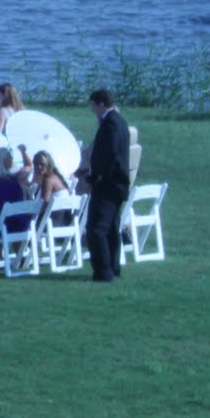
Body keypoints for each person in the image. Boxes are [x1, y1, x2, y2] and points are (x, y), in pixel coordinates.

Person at [76, 88, 131, 282]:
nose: (92, 110)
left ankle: (103, 271)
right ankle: (113, 267)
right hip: (116, 184)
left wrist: (95, 177)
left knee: (96, 229)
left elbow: (108, 155)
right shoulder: (120, 121)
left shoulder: (110, 124)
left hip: (108, 184)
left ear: (101, 104)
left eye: (93, 105)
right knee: (111, 227)